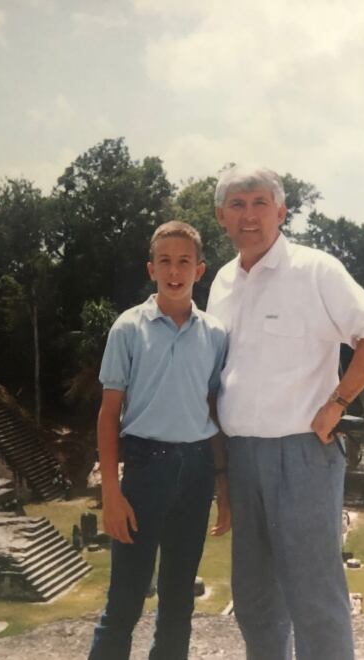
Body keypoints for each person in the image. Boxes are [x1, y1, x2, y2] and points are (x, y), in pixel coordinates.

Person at [208, 167, 364, 660]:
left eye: (259, 202)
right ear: (220, 217)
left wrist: (338, 402)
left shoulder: (316, 270)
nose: (249, 214)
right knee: (254, 600)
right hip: (243, 456)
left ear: (281, 211)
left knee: (315, 597)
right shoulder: (223, 283)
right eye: (237, 204)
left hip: (303, 455)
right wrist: (224, 473)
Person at [88, 221, 230, 660]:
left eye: (184, 261)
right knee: (125, 601)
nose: (175, 270)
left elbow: (213, 411)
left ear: (200, 270)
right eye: (165, 261)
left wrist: (223, 490)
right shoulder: (129, 328)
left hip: (197, 471)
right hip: (146, 468)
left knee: (178, 603)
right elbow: (110, 414)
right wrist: (111, 493)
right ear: (151, 269)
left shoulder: (215, 334)